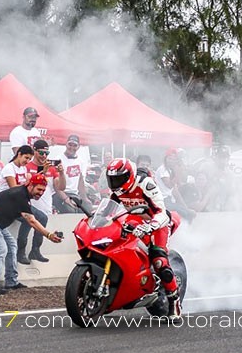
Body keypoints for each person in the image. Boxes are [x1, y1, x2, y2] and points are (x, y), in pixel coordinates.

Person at [105, 157, 181, 318]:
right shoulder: (117, 190)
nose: (115, 182)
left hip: (157, 222)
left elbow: (161, 211)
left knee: (159, 261)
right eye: (112, 179)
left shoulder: (145, 184)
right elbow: (107, 211)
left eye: (118, 178)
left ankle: (174, 303)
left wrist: (151, 226)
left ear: (129, 175)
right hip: (135, 220)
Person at [0, 174, 63, 295]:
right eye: (39, 189)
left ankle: (11, 282)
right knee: (0, 250)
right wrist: (49, 235)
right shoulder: (20, 195)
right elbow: (32, 221)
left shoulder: (23, 194)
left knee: (11, 246)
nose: (41, 193)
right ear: (30, 185)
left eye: (43, 190)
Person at [18, 140, 63, 264]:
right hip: (27, 203)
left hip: (43, 204)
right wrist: (43, 171)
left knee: (42, 219)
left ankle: (35, 250)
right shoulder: (26, 166)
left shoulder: (52, 169)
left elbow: (61, 187)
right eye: (41, 153)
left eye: (46, 153)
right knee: (27, 225)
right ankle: (21, 252)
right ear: (35, 151)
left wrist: (62, 172)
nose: (44, 156)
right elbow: (27, 184)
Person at [53, 135, 87, 214]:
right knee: (71, 211)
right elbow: (55, 184)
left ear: (78, 147)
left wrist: (85, 198)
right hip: (60, 194)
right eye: (70, 144)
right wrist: (65, 198)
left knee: (87, 211)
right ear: (66, 144)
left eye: (75, 145)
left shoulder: (81, 161)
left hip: (74, 194)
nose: (72, 147)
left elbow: (80, 180)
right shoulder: (58, 159)